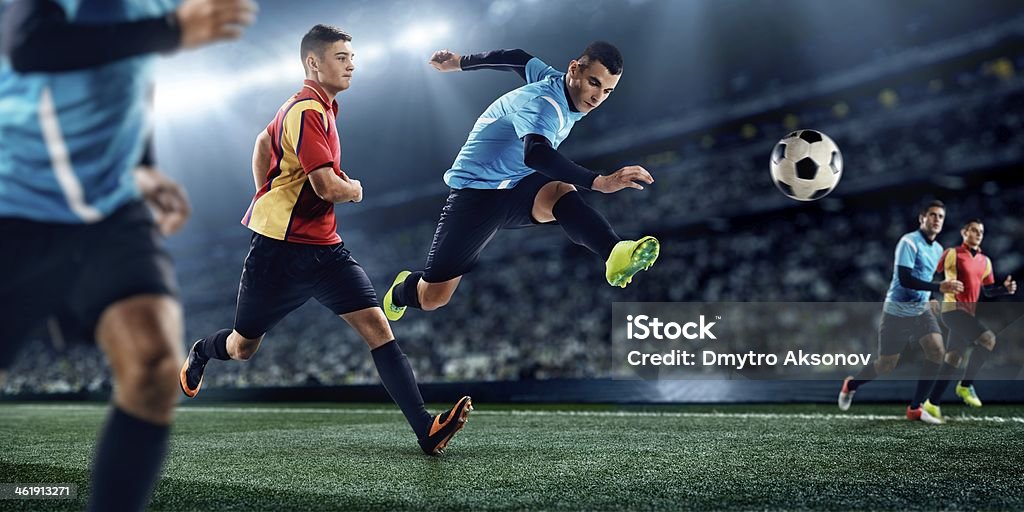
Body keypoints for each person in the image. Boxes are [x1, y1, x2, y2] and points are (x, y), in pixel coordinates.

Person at [0, 0, 257, 509]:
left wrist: (143, 165)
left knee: (154, 362)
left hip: (109, 208)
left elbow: (130, 82)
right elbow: (28, 44)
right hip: (15, 201)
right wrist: (170, 31)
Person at [178, 25, 471, 456]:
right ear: (313, 63)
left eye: (352, 56)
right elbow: (326, 187)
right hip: (277, 254)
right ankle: (202, 350)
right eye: (341, 56)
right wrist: (353, 188)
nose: (351, 64)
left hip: (326, 252)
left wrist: (267, 190)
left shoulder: (318, 108)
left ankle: (426, 429)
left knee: (378, 329)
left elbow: (263, 142)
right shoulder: (307, 111)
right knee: (242, 348)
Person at [382, 43, 660, 322]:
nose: (598, 97)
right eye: (594, 83)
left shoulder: (552, 78)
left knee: (560, 192)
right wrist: (598, 182)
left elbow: (514, 58)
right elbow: (536, 154)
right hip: (477, 195)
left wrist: (460, 61)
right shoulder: (546, 104)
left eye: (607, 91)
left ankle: (614, 252)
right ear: (574, 68)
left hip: (518, 183)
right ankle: (401, 290)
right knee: (433, 298)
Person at [837, 200, 963, 424]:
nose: (936, 220)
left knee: (936, 351)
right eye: (932, 215)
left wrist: (932, 297)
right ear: (921, 218)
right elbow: (905, 279)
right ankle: (851, 385)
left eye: (941, 216)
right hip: (897, 310)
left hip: (921, 309)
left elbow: (926, 277)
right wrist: (938, 288)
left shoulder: (938, 249)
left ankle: (915, 408)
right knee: (886, 365)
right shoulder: (908, 242)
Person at [925, 218, 1016, 416]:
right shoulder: (952, 254)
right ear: (964, 233)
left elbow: (988, 291)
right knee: (988, 339)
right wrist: (931, 296)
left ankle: (932, 403)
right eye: (973, 230)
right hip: (952, 310)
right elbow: (929, 273)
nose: (978, 234)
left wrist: (1004, 289)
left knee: (953, 358)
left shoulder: (986, 261)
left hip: (968, 312)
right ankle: (965, 385)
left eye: (980, 231)